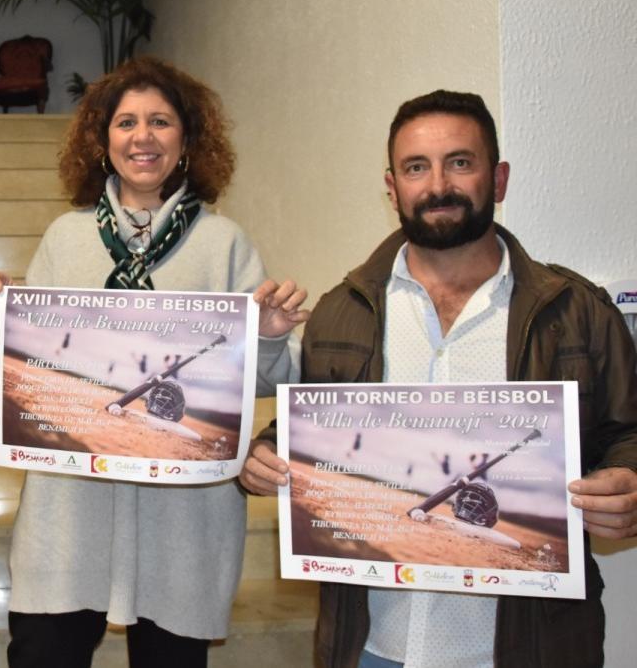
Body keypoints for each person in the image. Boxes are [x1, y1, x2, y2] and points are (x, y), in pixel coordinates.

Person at [239, 89, 637, 667]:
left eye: (460, 162)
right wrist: (265, 458)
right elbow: (313, 439)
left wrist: (628, 480)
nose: (437, 186)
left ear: (497, 180)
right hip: (374, 645)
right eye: (416, 168)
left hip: (529, 646)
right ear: (392, 185)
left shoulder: (577, 310)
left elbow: (626, 431)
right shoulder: (341, 310)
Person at [0, 57, 309, 667]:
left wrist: (269, 336)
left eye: (160, 121)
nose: (143, 137)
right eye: (126, 123)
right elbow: (26, 386)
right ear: (103, 141)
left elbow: (265, 383)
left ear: (187, 139)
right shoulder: (65, 238)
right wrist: (2, 327)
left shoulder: (224, 242)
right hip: (71, 509)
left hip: (183, 519)